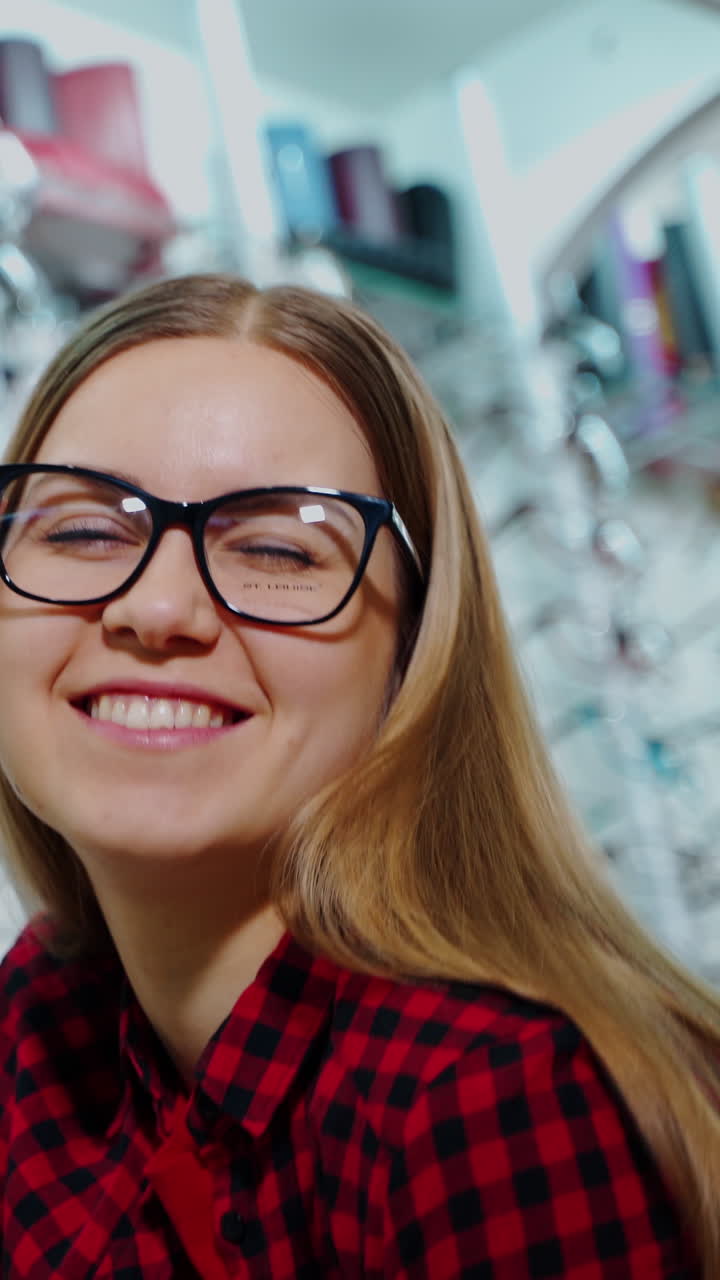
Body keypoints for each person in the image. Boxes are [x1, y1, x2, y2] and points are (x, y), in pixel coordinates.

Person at [0, 271, 716, 1280]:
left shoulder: (489, 1097)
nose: (155, 608)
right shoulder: (40, 1034)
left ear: (411, 652)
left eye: (275, 549)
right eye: (80, 531)